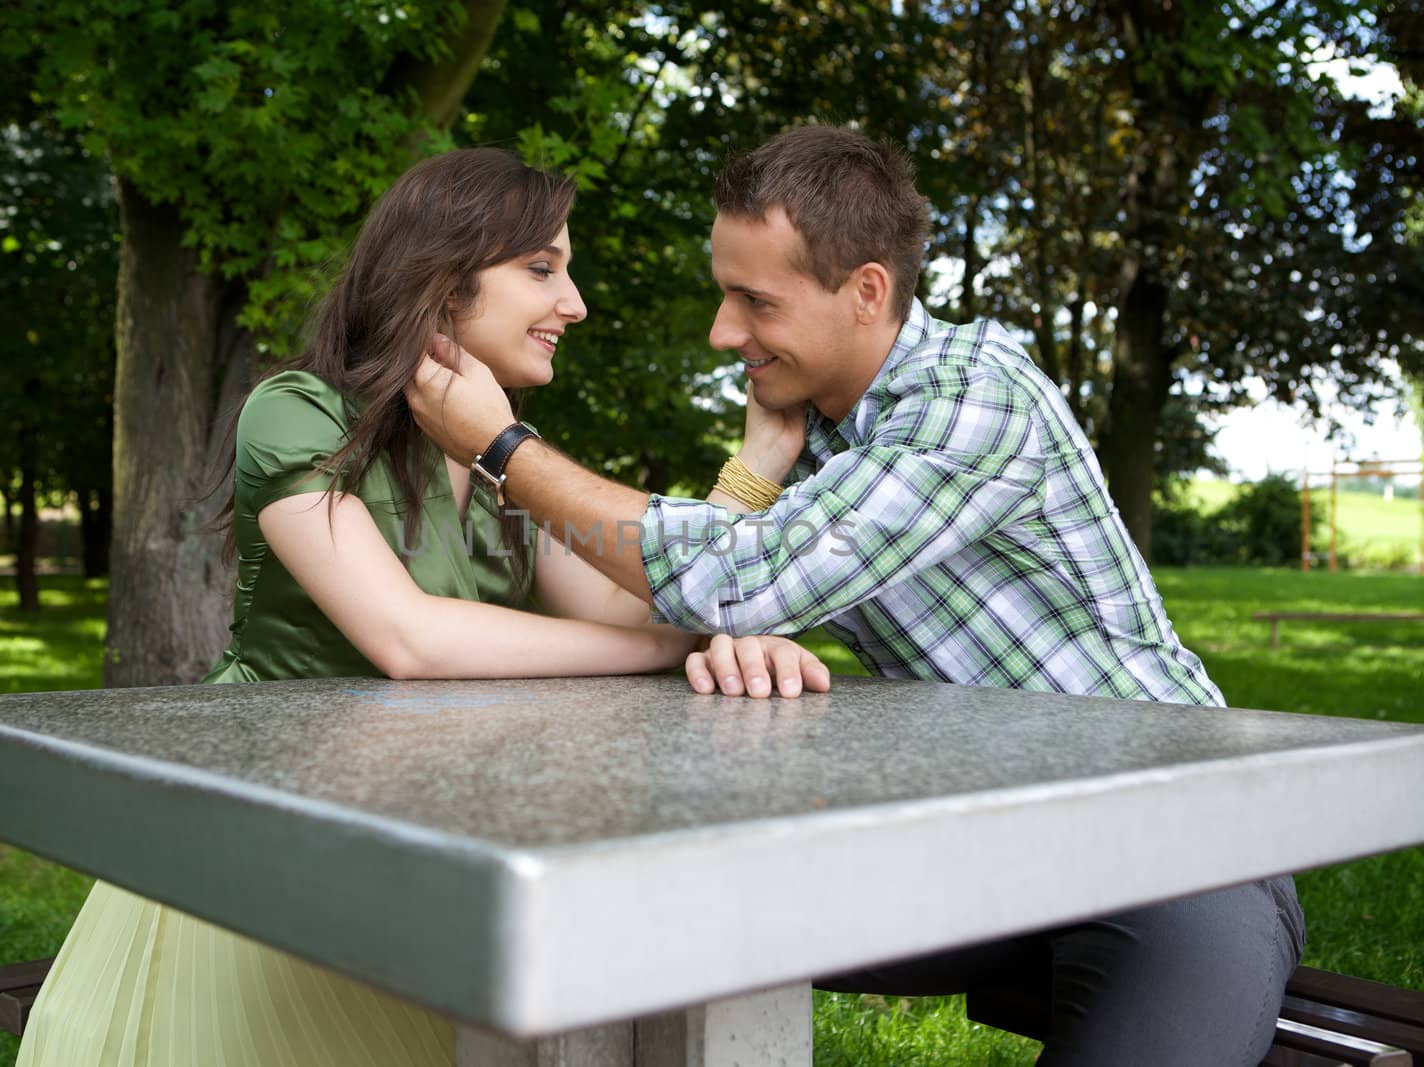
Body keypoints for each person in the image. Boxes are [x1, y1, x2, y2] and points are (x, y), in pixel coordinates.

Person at [406, 126, 1306, 1066]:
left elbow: (735, 574)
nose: (724, 332)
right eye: (726, 294)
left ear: (867, 290)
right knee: (646, 903)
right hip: (999, 851)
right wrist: (741, 614)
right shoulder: (823, 435)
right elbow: (716, 591)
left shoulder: (970, 397)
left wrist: (503, 448)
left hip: (1182, 851)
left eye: (754, 300)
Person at [16, 147, 828, 1067]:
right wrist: (666, 652)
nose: (576, 302)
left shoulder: (502, 456)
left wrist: (755, 468)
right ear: (441, 283)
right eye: (541, 268)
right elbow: (409, 637)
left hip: (430, 841)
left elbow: (628, 606)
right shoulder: (294, 410)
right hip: (267, 847)